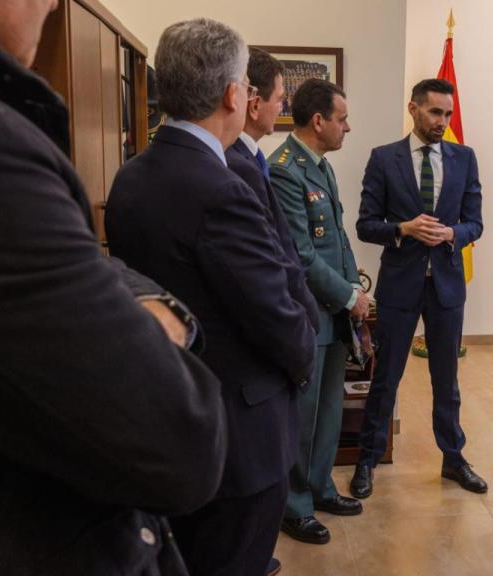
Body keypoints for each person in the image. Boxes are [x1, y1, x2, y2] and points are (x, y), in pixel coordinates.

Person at [0, 1, 228, 574]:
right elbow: (179, 438)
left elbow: (88, 261)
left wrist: (115, 298)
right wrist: (160, 314)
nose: (53, 5)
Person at [106, 19, 317, 576]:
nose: (250, 95)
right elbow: (275, 314)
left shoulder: (131, 176)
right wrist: (304, 359)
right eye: (249, 86)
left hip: (167, 413)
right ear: (231, 94)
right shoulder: (220, 189)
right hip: (238, 438)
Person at [352, 78, 485, 498]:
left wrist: (452, 234)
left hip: (446, 286)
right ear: (413, 108)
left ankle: (453, 458)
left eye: (447, 114)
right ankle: (368, 459)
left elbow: (475, 222)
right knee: (386, 378)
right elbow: (365, 224)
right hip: (400, 284)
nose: (442, 122)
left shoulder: (465, 158)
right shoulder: (384, 158)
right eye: (434, 112)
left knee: (446, 381)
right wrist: (403, 229)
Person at [224, 46, 316, 576]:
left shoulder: (249, 158)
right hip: (265, 351)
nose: (284, 105)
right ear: (250, 99)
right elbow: (279, 262)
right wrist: (302, 336)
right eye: (279, 96)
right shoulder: (232, 164)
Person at [269, 78, 367, 546]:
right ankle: (295, 505)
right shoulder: (284, 170)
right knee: (303, 415)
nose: (348, 127)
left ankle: (322, 487)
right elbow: (301, 255)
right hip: (308, 310)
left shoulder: (321, 166)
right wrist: (348, 297)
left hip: (336, 308)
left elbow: (338, 237)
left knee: (329, 409)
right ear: (318, 121)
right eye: (342, 119)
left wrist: (355, 289)